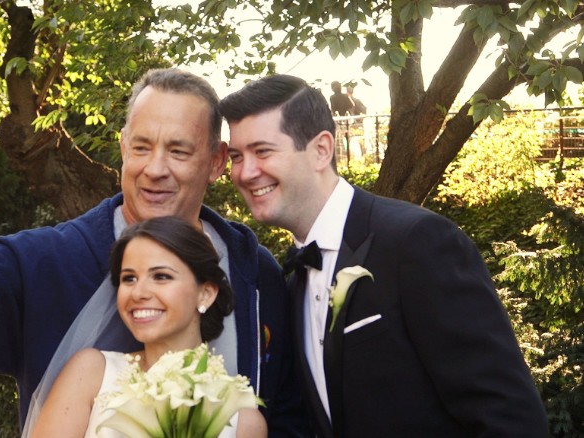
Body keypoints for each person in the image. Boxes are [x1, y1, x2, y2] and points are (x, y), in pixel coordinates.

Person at [0, 69, 304, 434]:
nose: (155, 169)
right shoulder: (44, 261)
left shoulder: (255, 270)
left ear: (217, 161)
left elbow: (284, 406)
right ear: (122, 147)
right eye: (141, 147)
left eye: (179, 151)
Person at [220, 74, 548, 437]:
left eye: (262, 151)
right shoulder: (293, 276)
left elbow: (509, 416)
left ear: (321, 150)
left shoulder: (416, 242)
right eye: (236, 156)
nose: (245, 172)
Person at [30, 216, 267, 437]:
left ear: (205, 293)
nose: (139, 293)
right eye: (129, 278)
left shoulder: (243, 420)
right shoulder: (91, 373)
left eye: (161, 276)